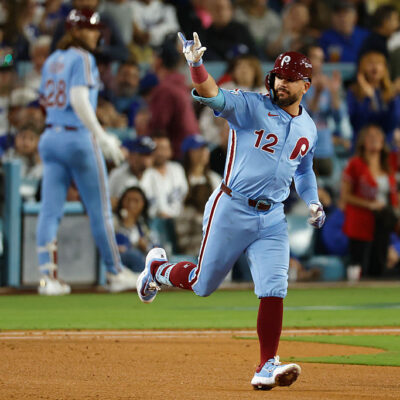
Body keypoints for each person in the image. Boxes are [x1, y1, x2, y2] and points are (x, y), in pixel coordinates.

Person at [137, 32, 326, 391]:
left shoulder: (308, 126)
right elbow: (212, 94)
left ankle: (266, 364)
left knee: (274, 287)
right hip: (232, 207)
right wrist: (196, 65)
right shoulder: (250, 106)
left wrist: (313, 201)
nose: (282, 83)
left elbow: (303, 170)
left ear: (306, 85)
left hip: (272, 217)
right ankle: (157, 270)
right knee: (203, 285)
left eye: (290, 79)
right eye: (279, 76)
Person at [37, 9, 137, 295]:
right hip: (78, 139)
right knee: (100, 210)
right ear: (76, 31)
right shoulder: (82, 57)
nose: (96, 34)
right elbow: (79, 98)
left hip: (51, 135)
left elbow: (47, 100)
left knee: (49, 211)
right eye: (91, 29)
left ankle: (47, 279)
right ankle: (115, 272)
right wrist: (103, 136)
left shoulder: (52, 60)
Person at [341, 124, 398, 280]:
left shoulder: (388, 164)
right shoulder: (355, 164)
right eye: (370, 136)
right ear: (362, 142)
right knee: (360, 265)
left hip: (383, 222)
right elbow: (345, 196)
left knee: (379, 265)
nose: (374, 139)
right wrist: (369, 204)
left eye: (378, 136)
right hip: (360, 221)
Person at [346, 50, 400, 148]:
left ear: (385, 68)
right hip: (361, 146)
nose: (375, 67)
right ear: (362, 67)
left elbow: (391, 124)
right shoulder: (354, 91)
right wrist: (368, 98)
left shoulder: (390, 92)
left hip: (386, 146)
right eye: (370, 63)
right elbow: (357, 122)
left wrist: (393, 98)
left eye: (379, 63)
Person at [114, 186, 158, 274]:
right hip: (119, 264)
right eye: (127, 200)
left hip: (141, 265)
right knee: (133, 256)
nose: (131, 205)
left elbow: (157, 249)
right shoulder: (113, 222)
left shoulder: (145, 226)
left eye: (136, 201)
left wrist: (146, 247)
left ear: (143, 205)